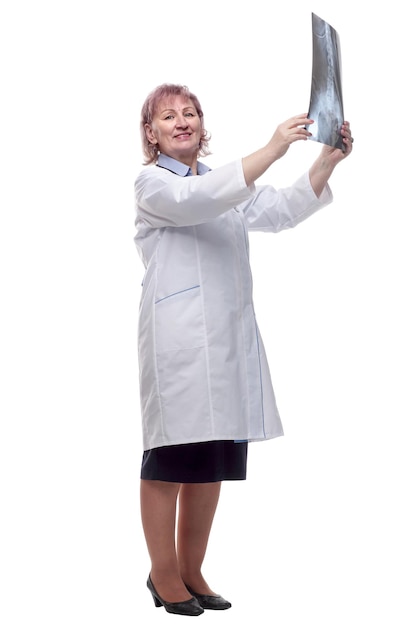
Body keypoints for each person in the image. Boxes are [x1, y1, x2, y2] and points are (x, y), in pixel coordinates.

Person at [133, 83, 353, 616]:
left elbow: (278, 211)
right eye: (168, 116)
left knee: (210, 461)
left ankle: (192, 569)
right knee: (170, 461)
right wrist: (274, 147)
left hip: (226, 344)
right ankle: (163, 576)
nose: (181, 121)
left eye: (190, 112)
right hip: (179, 346)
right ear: (152, 133)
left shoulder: (221, 183)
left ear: (201, 123)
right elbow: (197, 203)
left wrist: (327, 159)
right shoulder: (153, 183)